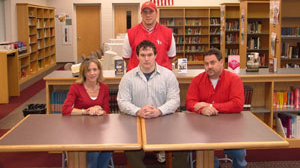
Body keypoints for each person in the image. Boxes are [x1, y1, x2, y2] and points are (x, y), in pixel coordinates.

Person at [117, 40, 189, 168]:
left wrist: (159, 111)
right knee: (131, 150)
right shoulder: (127, 78)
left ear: (155, 55)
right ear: (137, 56)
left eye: (149, 55)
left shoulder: (168, 76)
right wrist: (138, 111)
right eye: (143, 55)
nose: (146, 59)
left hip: (165, 121)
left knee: (182, 148)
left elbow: (175, 100)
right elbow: (122, 102)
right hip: (137, 123)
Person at [185, 48, 247, 168]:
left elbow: (238, 104)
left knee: (238, 151)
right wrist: (202, 109)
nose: (209, 66)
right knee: (198, 148)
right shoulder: (197, 80)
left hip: (229, 127)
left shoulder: (234, 80)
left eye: (212, 63)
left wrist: (210, 106)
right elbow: (189, 103)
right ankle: (214, 164)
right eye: (206, 64)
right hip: (202, 127)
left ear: (221, 62)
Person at [62, 57, 112, 168]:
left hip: (99, 128)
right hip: (80, 128)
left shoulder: (104, 88)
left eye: (95, 69)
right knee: (93, 150)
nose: (92, 73)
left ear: (99, 71)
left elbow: (107, 111)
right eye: (88, 70)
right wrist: (86, 111)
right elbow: (65, 109)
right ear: (83, 73)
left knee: (109, 148)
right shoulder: (75, 87)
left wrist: (99, 111)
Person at [122, 1, 176, 71]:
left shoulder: (167, 33)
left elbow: (171, 57)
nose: (148, 15)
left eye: (151, 12)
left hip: (162, 77)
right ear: (141, 14)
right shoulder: (130, 33)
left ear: (156, 13)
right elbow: (126, 58)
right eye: (145, 12)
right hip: (137, 77)